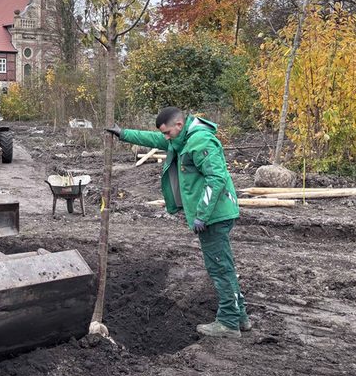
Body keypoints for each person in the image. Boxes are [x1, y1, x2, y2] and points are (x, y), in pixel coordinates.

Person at [106, 107, 250, 338]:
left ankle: (228, 323)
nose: (165, 138)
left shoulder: (200, 142)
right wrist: (123, 133)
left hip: (214, 215)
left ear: (179, 125)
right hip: (213, 214)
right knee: (223, 265)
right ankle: (240, 316)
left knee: (219, 268)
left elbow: (217, 178)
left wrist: (202, 214)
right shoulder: (182, 138)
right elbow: (153, 138)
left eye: (167, 133)